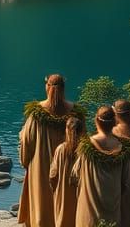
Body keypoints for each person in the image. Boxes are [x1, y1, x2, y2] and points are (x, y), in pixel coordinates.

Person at [19, 74, 87, 227]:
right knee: (67, 203)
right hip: (68, 169)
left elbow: (26, 142)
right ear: (64, 88)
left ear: (47, 87)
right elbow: (84, 144)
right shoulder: (76, 113)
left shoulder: (36, 114)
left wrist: (26, 162)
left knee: (42, 202)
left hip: (40, 167)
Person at [73, 106, 124, 227]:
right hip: (113, 202)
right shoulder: (121, 147)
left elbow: (76, 173)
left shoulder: (87, 147)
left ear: (96, 120)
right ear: (114, 122)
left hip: (89, 205)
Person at [50, 116, 86, 227]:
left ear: (67, 130)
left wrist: (54, 189)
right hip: (81, 195)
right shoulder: (85, 150)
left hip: (63, 194)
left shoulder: (61, 149)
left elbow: (53, 175)